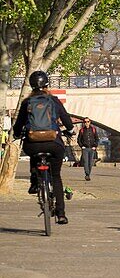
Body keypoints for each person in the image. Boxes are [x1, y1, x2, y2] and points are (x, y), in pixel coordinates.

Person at [13, 71, 74, 224]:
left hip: (33, 142)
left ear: (32, 87)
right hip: (54, 143)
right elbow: (67, 121)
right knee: (56, 177)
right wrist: (70, 131)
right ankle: (61, 214)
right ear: (47, 85)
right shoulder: (53, 100)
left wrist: (16, 134)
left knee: (33, 153)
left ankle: (34, 181)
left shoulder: (27, 102)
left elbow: (19, 124)